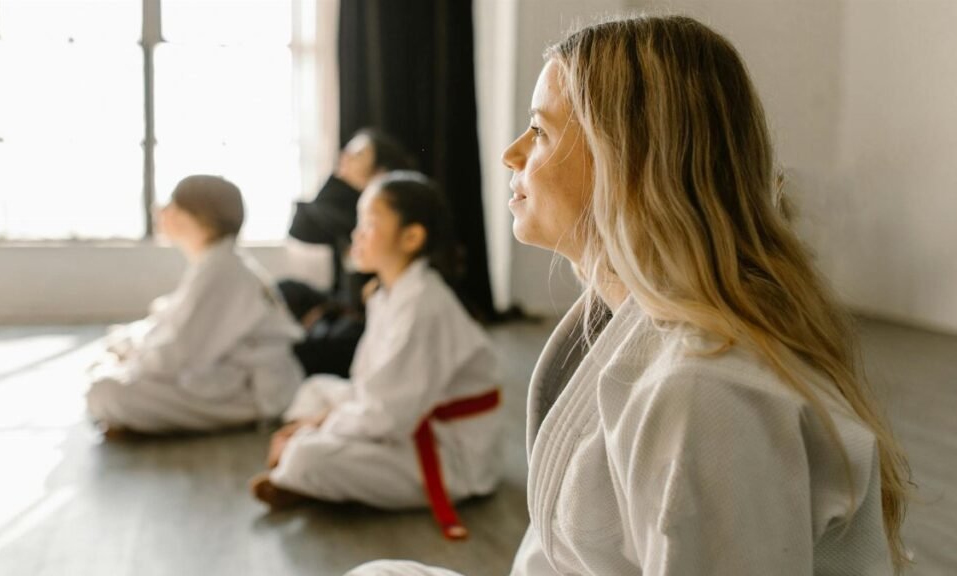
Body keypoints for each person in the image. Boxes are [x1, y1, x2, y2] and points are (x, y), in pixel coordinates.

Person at [347, 15, 910, 575]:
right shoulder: (634, 331)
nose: (512, 153)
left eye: (539, 130)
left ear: (624, 159)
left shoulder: (706, 392)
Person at [251, 171, 501, 540]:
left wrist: (314, 427)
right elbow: (369, 385)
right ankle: (306, 468)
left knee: (307, 455)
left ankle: (301, 472)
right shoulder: (388, 293)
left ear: (411, 237)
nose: (356, 234)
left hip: (449, 454)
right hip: (405, 416)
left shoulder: (423, 305)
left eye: (369, 223)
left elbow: (387, 416)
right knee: (317, 389)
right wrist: (322, 417)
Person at [86, 175, 304, 436]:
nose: (161, 211)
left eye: (173, 204)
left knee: (106, 392)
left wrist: (130, 360)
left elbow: (175, 354)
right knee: (111, 362)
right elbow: (169, 327)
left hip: (252, 394)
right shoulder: (217, 263)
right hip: (230, 379)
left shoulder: (221, 270)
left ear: (197, 217)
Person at [280, 129, 417, 378]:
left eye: (358, 153)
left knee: (301, 354)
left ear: (382, 164)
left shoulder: (399, 209)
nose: (345, 156)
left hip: (368, 316)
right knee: (285, 289)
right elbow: (301, 229)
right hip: (345, 304)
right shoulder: (349, 204)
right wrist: (336, 176)